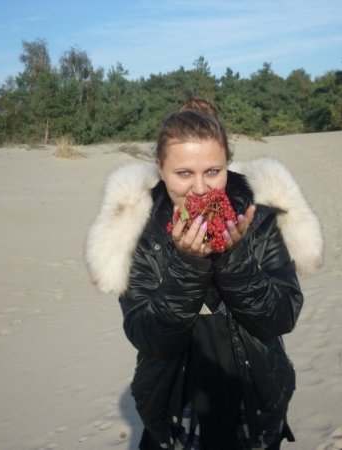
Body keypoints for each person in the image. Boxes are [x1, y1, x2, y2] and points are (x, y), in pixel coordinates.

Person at [86, 99, 323, 449]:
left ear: (228, 162)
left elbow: (281, 317)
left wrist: (234, 257)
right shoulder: (138, 230)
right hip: (177, 400)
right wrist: (187, 264)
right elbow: (149, 337)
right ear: (160, 168)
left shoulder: (259, 218)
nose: (200, 189)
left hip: (253, 395)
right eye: (183, 174)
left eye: (213, 171)